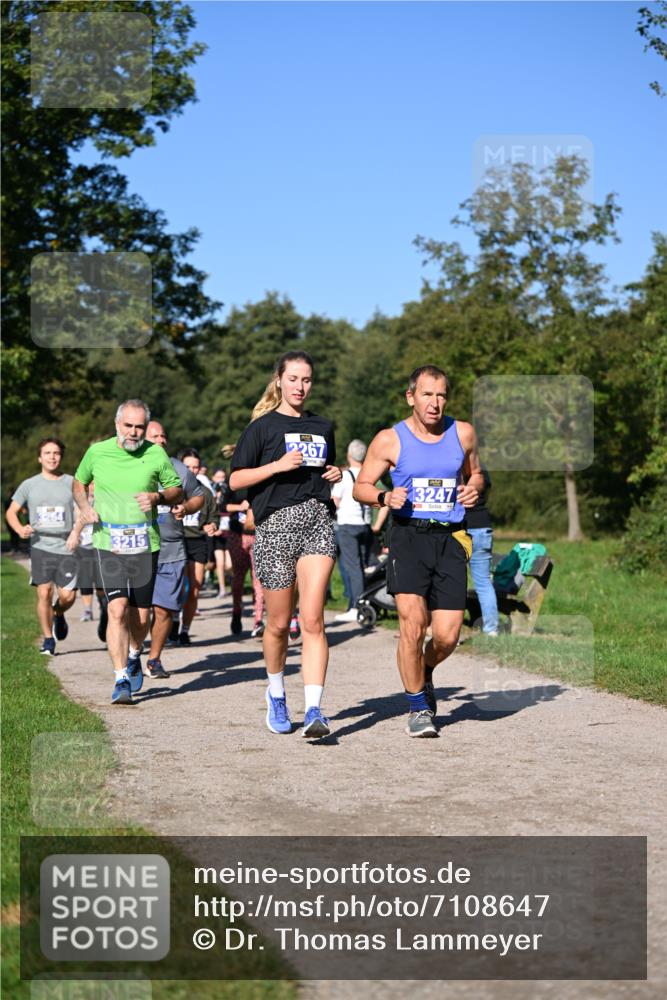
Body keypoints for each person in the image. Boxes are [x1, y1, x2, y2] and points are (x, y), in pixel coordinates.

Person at [354, 365, 483, 738]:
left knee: (447, 635)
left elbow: (476, 473)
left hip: (451, 539)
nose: (435, 403)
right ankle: (418, 708)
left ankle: (424, 671)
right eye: (427, 394)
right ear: (411, 396)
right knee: (412, 625)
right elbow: (361, 485)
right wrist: (384, 495)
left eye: (441, 395)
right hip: (408, 538)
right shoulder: (389, 440)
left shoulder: (463, 433)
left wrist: (475, 487)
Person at [229, 350, 342, 738]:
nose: (300, 386)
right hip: (275, 525)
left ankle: (314, 709)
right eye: (293, 378)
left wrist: (336, 471)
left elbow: (326, 471)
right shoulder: (261, 428)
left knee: (312, 619)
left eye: (307, 379)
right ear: (279, 379)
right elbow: (236, 480)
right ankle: (276, 694)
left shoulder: (323, 426)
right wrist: (277, 466)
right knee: (278, 623)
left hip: (316, 521)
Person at [72, 399, 183, 704]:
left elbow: (176, 490)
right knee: (117, 609)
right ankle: (121, 678)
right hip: (109, 543)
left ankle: (135, 653)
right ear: (117, 424)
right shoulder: (98, 452)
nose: (134, 433)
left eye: (140, 427)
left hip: (146, 544)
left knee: (141, 616)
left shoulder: (155, 452)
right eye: (128, 426)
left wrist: (157, 496)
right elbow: (79, 483)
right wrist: (85, 509)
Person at [6, 438, 78, 655]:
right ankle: (48, 639)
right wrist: (19, 529)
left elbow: (83, 510)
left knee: (68, 597)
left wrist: (76, 532)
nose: (52, 457)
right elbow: (11, 512)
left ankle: (58, 613)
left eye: (56, 453)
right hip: (40, 546)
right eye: (47, 453)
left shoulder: (72, 482)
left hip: (66, 546)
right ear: (40, 457)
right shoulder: (29, 485)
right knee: (44, 593)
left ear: (61, 457)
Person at [144, 422, 205, 676]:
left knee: (165, 608)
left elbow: (198, 496)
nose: (160, 439)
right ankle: (133, 650)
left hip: (171, 547)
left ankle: (154, 659)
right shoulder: (128, 465)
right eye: (154, 435)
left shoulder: (179, 468)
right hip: (137, 545)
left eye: (163, 435)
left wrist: (186, 508)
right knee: (136, 611)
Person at [177, 448, 219, 645]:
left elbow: (213, 519)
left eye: (195, 467)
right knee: (176, 586)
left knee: (194, 587)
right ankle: (173, 619)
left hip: (197, 542)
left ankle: (185, 630)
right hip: (175, 541)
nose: (192, 471)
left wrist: (212, 526)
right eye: (187, 467)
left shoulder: (205, 493)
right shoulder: (171, 490)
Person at [332, 439, 374, 624]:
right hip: (364, 525)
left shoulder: (344, 475)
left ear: (349, 455)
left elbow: (335, 500)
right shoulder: (368, 474)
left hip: (347, 524)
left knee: (352, 567)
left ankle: (357, 606)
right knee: (364, 566)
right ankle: (366, 601)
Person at [466, 467, 499, 637]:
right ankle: (491, 629)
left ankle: (451, 632)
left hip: (460, 529)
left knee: (454, 582)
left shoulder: (454, 470)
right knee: (484, 583)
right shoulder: (483, 472)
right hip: (483, 526)